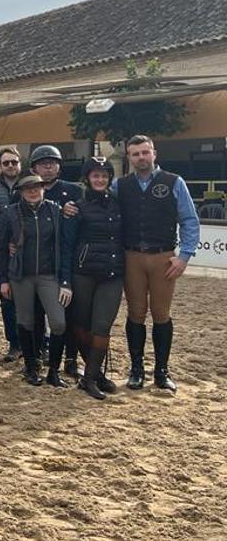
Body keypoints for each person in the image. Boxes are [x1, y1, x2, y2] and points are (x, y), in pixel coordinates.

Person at [114, 135, 200, 393]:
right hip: (132, 257)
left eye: (145, 152)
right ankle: (137, 369)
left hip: (164, 257)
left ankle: (162, 371)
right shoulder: (121, 185)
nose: (141, 157)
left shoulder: (174, 182)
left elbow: (189, 220)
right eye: (135, 154)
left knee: (161, 314)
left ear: (154, 153)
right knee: (136, 314)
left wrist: (184, 256)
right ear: (129, 157)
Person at [0, 175, 73, 387]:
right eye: (27, 188)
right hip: (21, 275)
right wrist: (2, 279)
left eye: (37, 187)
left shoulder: (55, 211)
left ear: (43, 188)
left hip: (49, 274)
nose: (33, 191)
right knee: (26, 321)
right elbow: (1, 248)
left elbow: (65, 246)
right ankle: (31, 367)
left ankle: (54, 371)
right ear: (20, 191)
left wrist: (65, 280)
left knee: (58, 322)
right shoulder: (10, 213)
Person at [63, 158, 124, 400]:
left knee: (102, 326)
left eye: (104, 175)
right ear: (87, 178)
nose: (99, 179)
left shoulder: (119, 204)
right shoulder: (76, 207)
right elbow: (68, 246)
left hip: (112, 272)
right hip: (84, 272)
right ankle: (95, 372)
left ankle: (88, 378)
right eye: (95, 175)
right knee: (81, 324)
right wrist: (66, 280)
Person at [24, 144, 84, 376]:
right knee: (37, 312)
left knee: (69, 313)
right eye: (43, 163)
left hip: (65, 258)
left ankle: (70, 358)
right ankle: (37, 355)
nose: (48, 167)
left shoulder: (74, 191)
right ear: (34, 168)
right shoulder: (28, 190)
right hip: (39, 260)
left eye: (52, 163)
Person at [0, 147, 22, 362]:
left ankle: (36, 343)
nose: (10, 166)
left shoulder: (31, 184)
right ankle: (14, 344)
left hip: (27, 252)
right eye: (6, 162)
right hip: (0, 253)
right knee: (7, 299)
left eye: (14, 162)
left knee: (31, 300)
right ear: (0, 165)